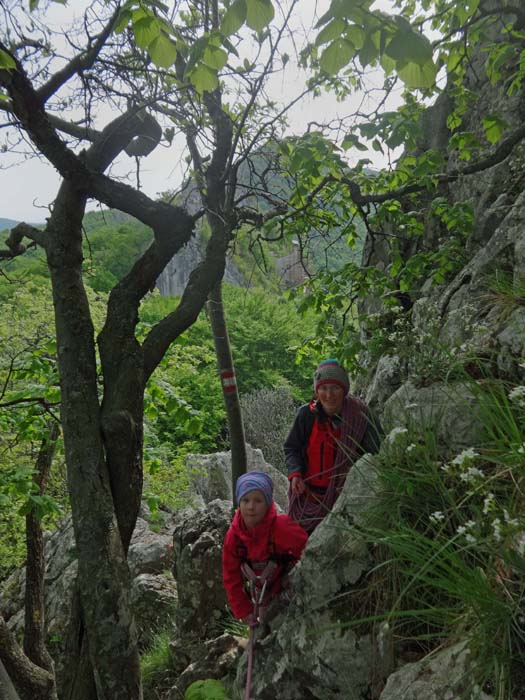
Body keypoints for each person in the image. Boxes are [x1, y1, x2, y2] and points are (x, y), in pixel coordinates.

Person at [284, 359, 381, 534]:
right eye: (323, 388)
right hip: (306, 498)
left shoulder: (360, 417)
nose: (329, 395)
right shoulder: (306, 415)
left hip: (343, 498)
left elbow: (376, 454)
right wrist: (295, 473)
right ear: (316, 391)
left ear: (344, 389)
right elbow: (292, 448)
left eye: (335, 388)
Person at [222, 471, 308, 625]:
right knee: (264, 629)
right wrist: (244, 611)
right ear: (238, 503)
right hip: (263, 594)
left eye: (258, 501)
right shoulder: (234, 537)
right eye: (245, 500)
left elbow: (308, 553)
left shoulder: (282, 527)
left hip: (288, 586)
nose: (251, 507)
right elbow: (231, 576)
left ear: (268, 503)